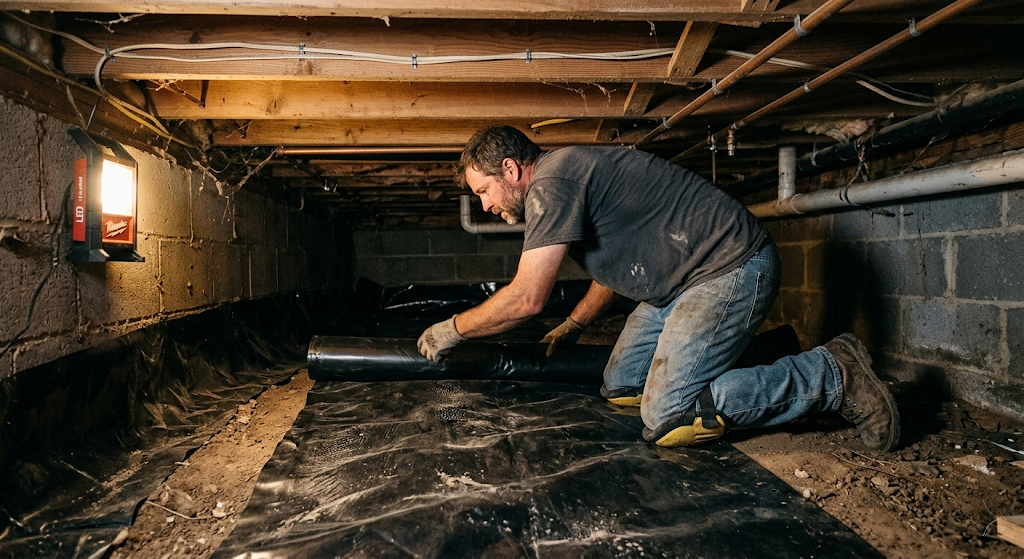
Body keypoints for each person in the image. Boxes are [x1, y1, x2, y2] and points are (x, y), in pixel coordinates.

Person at [417, 125, 900, 452]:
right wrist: (575, 322)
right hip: (677, 287)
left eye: (482, 190)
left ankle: (831, 375)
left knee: (668, 413)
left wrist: (453, 329)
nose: (483, 205)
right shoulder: (563, 178)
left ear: (510, 169)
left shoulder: (553, 182)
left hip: (728, 268)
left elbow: (527, 297)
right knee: (621, 387)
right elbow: (617, 267)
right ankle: (753, 365)